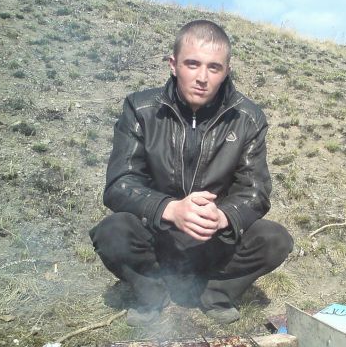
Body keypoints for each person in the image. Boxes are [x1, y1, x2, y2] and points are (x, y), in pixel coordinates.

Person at [89, 20, 293, 326]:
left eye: (214, 67)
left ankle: (215, 293)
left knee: (275, 239)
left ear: (227, 70)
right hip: (158, 233)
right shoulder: (140, 109)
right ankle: (152, 293)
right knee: (112, 231)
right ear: (173, 65)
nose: (202, 78)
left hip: (214, 238)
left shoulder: (248, 118)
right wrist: (171, 209)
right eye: (192, 64)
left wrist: (223, 216)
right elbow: (120, 184)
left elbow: (256, 192)